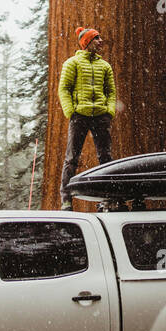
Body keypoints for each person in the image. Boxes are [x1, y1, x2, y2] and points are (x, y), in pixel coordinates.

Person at [58, 26, 116, 208]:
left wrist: (109, 111)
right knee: (71, 158)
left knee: (105, 158)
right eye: (96, 38)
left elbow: (111, 91)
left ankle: (107, 197)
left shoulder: (105, 66)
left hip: (101, 116)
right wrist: (71, 111)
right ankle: (66, 200)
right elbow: (64, 89)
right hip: (79, 116)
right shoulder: (72, 63)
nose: (100, 41)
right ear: (87, 43)